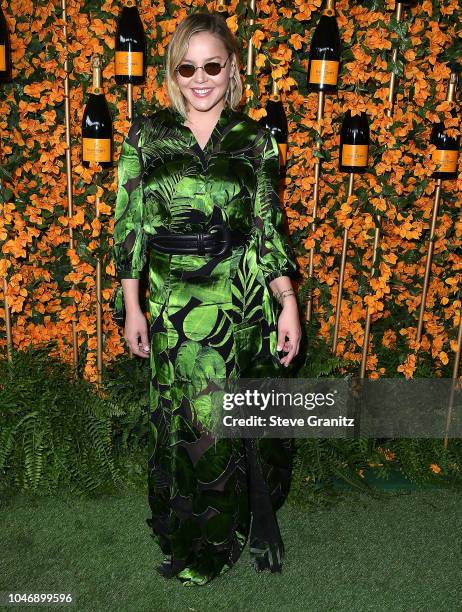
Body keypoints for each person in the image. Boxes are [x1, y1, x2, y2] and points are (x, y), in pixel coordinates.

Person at [111, 11, 302, 587]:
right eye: (187, 66)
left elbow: (268, 228)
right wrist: (132, 304)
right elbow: (130, 225)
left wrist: (287, 300)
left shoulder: (255, 140)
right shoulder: (146, 135)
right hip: (172, 302)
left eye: (212, 65)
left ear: (232, 69)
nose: (200, 78)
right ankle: (189, 534)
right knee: (186, 423)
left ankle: (226, 534)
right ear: (172, 73)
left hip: (240, 299)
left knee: (228, 422)